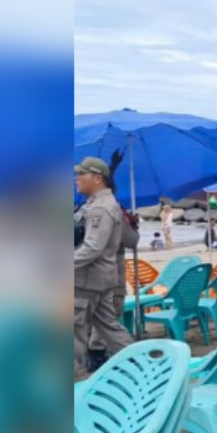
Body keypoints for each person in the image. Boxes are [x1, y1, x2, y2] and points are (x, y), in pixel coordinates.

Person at [74, 157, 134, 377]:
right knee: (110, 327)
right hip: (99, 279)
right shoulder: (97, 204)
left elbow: (92, 248)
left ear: (97, 179)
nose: (76, 178)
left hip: (86, 281)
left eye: (82, 174)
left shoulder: (101, 208)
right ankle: (140, 363)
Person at [87, 151, 140, 372]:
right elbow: (131, 241)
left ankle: (96, 352)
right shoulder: (112, 210)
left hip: (89, 272)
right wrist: (132, 227)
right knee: (110, 314)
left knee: (98, 316)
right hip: (111, 270)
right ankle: (100, 353)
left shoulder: (86, 208)